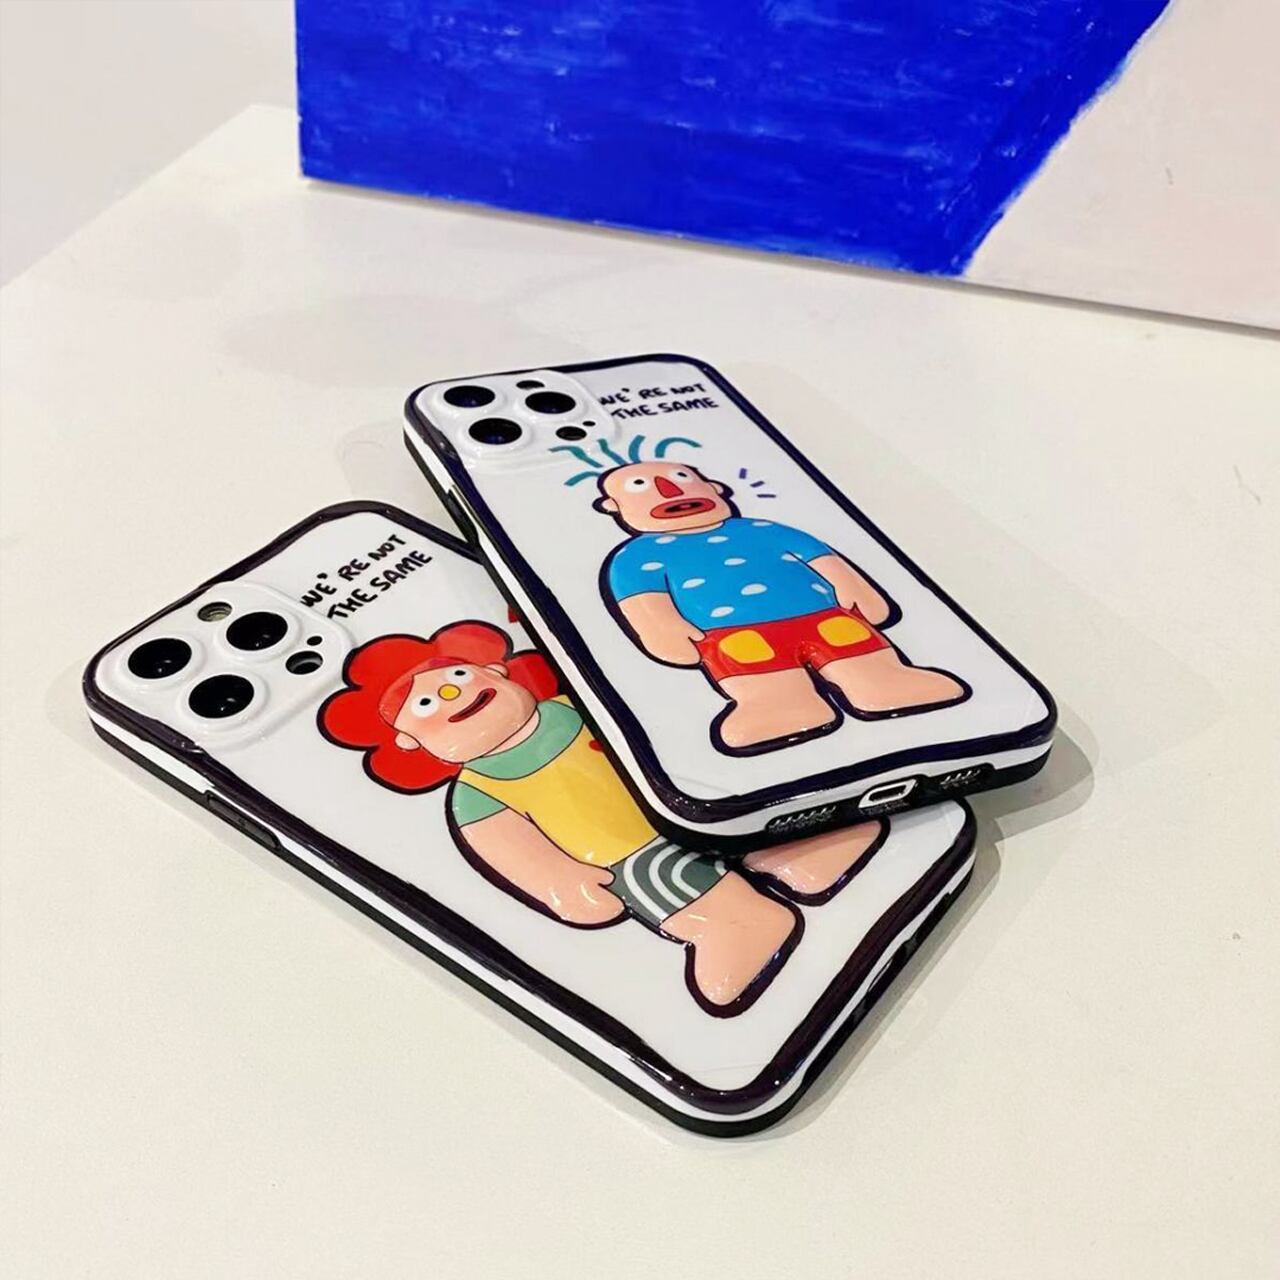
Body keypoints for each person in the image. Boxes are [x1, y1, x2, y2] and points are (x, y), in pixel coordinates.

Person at [321, 621, 885, 1015]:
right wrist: (562, 882)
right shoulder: (477, 794)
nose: (451, 698)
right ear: (410, 741)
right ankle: (733, 925)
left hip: (683, 798)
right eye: (427, 705)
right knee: (663, 881)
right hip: (630, 855)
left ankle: (807, 851)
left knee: (733, 815)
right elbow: (512, 850)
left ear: (497, 673)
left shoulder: (574, 708)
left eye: (460, 682)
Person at [596, 460, 966, 751]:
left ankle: (885, 682)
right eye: (640, 487)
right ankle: (774, 705)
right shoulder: (638, 555)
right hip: (732, 632)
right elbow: (643, 599)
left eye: (682, 478)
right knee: (761, 673)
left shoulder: (764, 529)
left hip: (823, 615)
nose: (670, 490)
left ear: (714, 488)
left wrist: (856, 591)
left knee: (854, 651)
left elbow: (823, 559)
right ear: (614, 507)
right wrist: (664, 632)